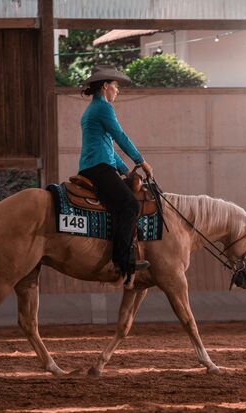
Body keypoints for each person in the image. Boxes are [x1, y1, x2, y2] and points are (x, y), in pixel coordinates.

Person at [78, 65, 154, 284]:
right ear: (105, 86)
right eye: (116, 86)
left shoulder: (93, 109)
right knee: (130, 205)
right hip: (99, 167)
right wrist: (141, 161)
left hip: (95, 165)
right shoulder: (103, 108)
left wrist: (125, 170)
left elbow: (108, 147)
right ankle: (121, 262)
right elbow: (120, 136)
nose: (118, 91)